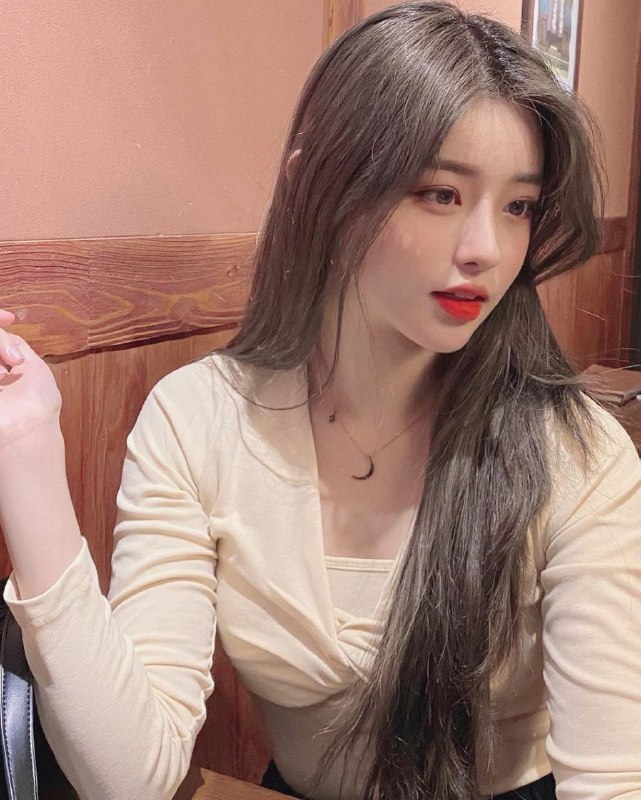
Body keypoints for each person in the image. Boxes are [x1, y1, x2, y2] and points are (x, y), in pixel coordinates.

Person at [0, 2, 640, 799]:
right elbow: (129, 778)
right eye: (439, 193)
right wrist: (26, 455)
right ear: (316, 183)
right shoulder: (198, 421)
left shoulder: (574, 451)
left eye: (517, 207)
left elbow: (611, 779)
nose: (485, 249)